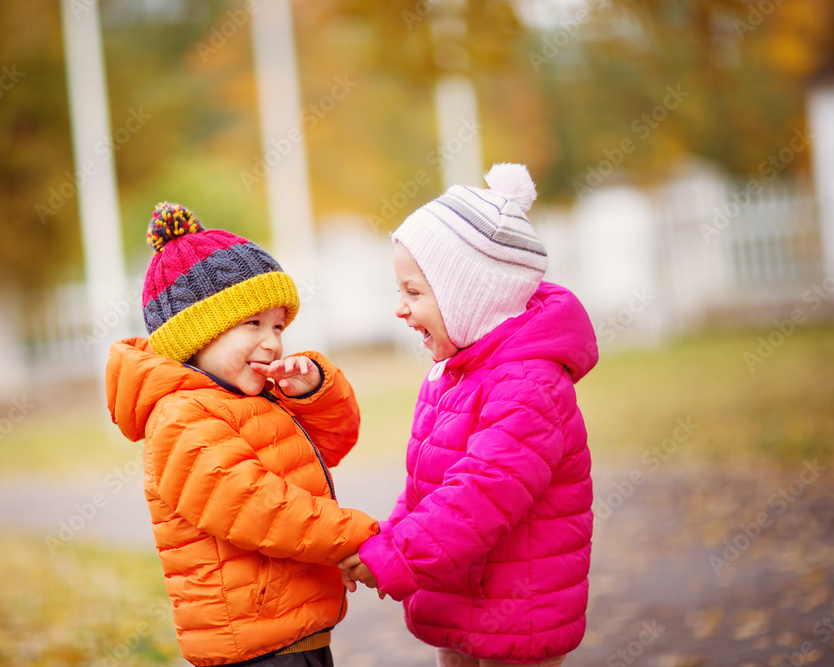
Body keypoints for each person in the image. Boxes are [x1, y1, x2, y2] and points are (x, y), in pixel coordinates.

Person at [339, 163, 599, 667]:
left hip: (516, 614)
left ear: (471, 297)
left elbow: (477, 496)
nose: (400, 308)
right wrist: (384, 538)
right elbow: (427, 489)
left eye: (414, 292)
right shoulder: (454, 376)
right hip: (460, 597)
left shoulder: (529, 386)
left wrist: (394, 558)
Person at [107, 202, 378, 667]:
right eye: (252, 324)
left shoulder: (249, 399)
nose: (272, 341)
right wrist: (361, 538)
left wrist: (312, 390)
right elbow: (260, 507)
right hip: (256, 647)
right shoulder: (182, 418)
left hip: (296, 630)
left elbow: (331, 444)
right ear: (195, 335)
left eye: (277, 325)